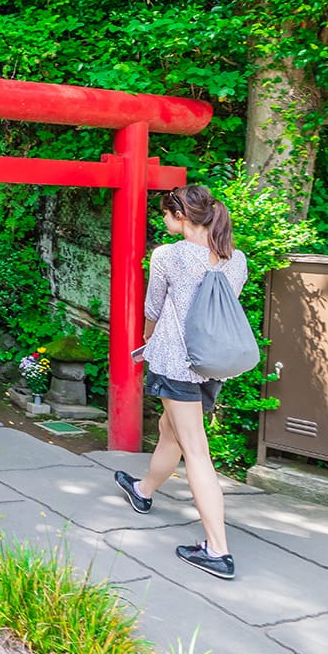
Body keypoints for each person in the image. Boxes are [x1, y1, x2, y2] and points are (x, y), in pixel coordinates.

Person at [114, 183, 248, 580]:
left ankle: (218, 550)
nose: (163, 221)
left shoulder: (169, 256)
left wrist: (148, 339)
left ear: (181, 217)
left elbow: (154, 307)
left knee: (196, 450)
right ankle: (143, 491)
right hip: (212, 365)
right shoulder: (234, 259)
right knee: (168, 432)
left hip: (178, 365)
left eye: (166, 214)